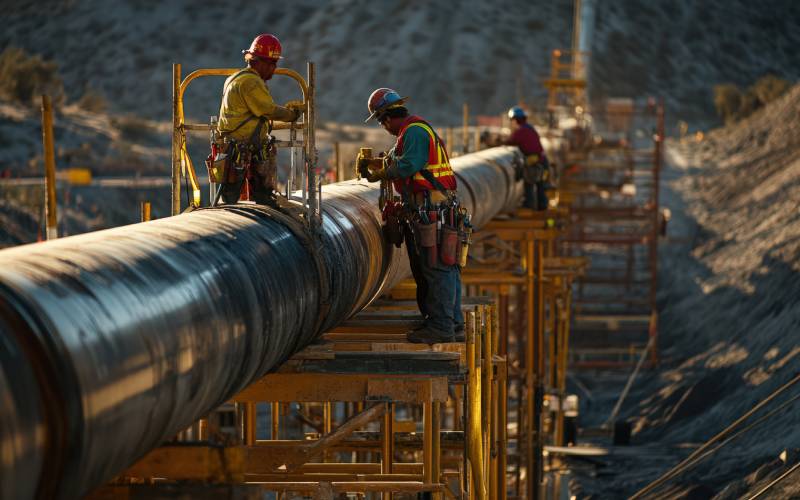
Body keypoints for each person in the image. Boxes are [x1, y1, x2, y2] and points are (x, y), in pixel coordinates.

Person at [360, 88, 464, 344]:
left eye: (380, 122)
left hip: (433, 210)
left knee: (437, 268)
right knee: (437, 267)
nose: (383, 127)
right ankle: (449, 322)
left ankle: (442, 326)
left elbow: (409, 165)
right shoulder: (410, 133)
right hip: (431, 209)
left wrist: (380, 174)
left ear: (385, 118)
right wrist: (375, 165)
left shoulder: (415, 131)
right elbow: (397, 160)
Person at [216, 33, 302, 205]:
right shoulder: (251, 82)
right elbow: (267, 110)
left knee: (229, 197)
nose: (274, 69)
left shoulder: (235, 78)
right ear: (260, 62)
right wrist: (292, 114)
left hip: (233, 146)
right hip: (245, 146)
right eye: (272, 64)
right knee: (260, 196)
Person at [505, 106, 549, 210]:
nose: (511, 123)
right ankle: (541, 207)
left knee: (528, 182)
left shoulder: (520, 132)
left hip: (535, 163)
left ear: (515, 120)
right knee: (540, 186)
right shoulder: (530, 128)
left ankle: (529, 206)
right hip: (543, 161)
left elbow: (509, 143)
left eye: (511, 121)